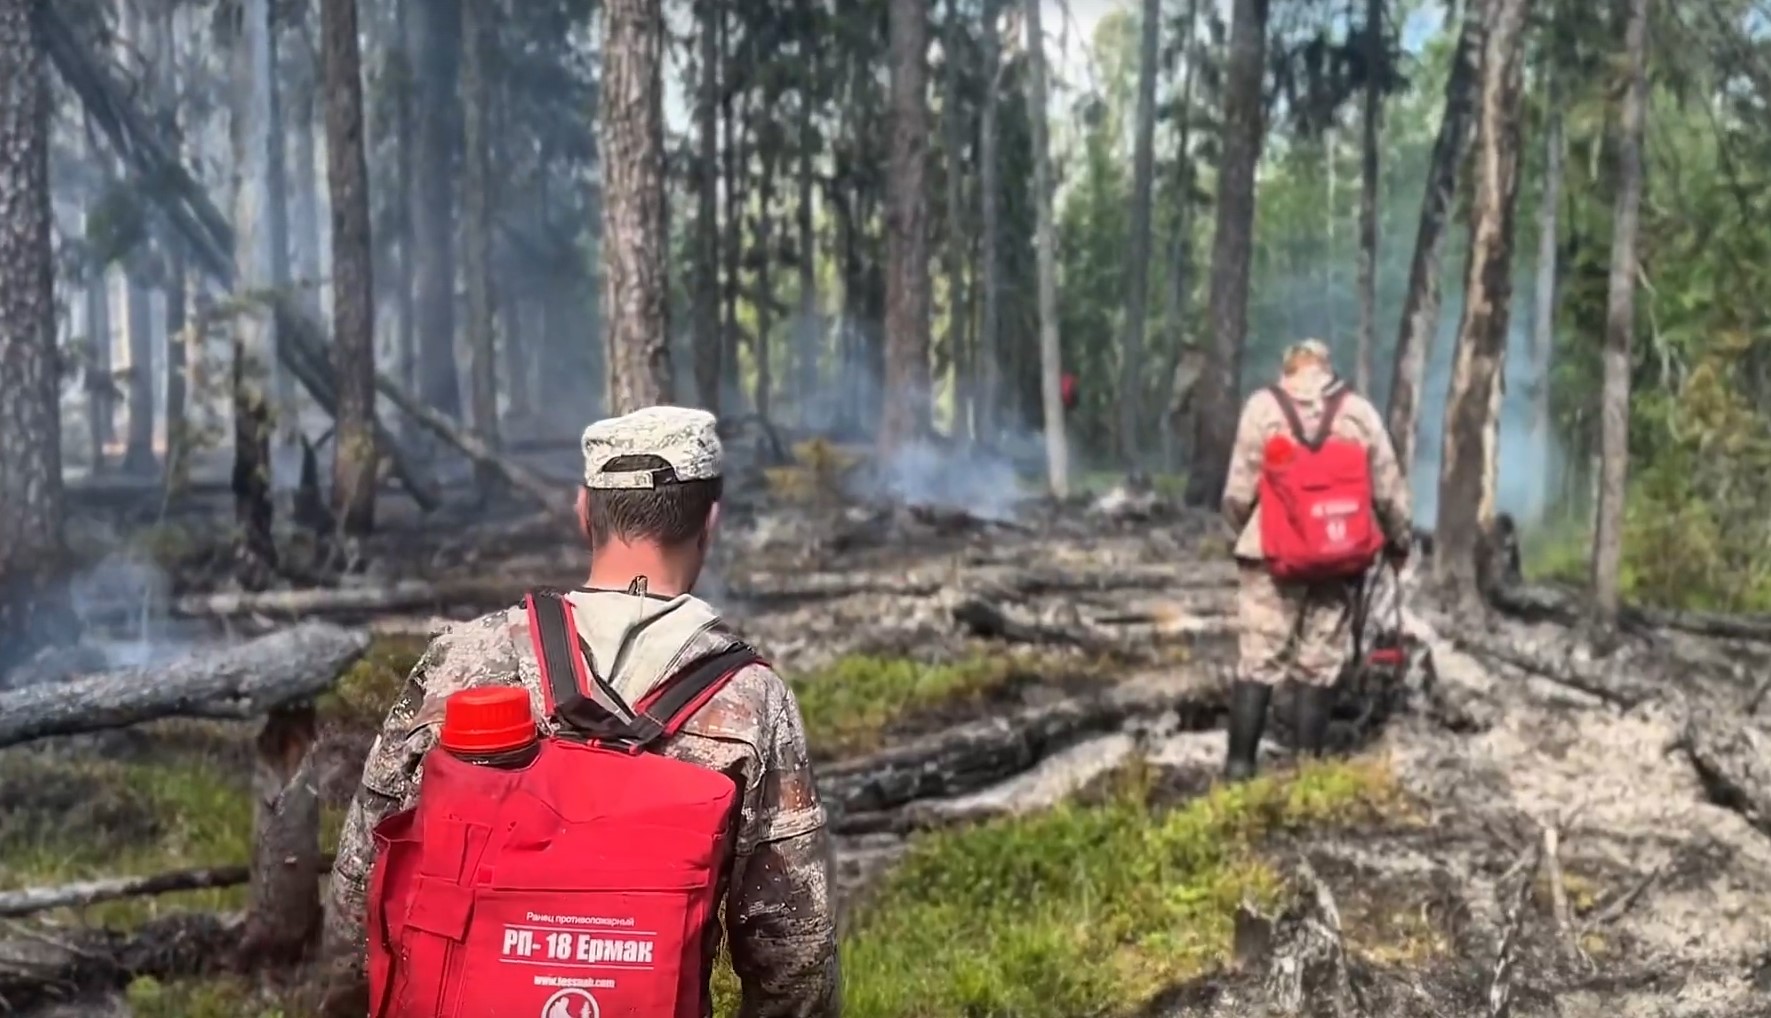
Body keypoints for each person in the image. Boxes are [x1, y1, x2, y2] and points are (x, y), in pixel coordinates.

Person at [318, 405, 840, 1017]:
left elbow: (360, 893)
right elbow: (796, 959)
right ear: (712, 521)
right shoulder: (748, 702)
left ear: (583, 511)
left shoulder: (460, 662)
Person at [1218, 339, 1411, 781]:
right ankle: (1307, 775)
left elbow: (1237, 491)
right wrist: (1398, 543)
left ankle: (1239, 768)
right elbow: (1388, 490)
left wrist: (1244, 535)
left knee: (1258, 660)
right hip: (1337, 558)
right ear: (1327, 368)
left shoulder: (1263, 408)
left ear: (1288, 369)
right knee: (1318, 664)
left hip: (1272, 558)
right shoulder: (1359, 412)